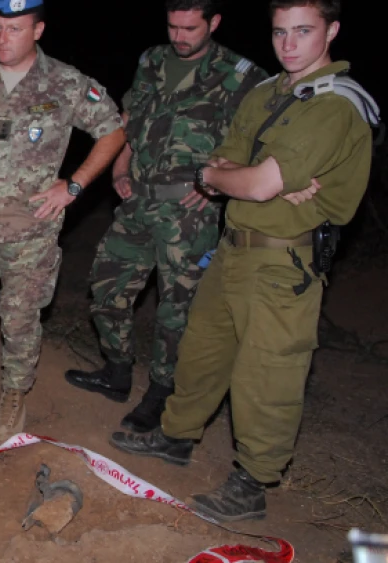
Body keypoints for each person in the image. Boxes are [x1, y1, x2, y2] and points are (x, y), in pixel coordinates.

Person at [110, 0, 375, 523]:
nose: (289, 44)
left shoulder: (334, 106)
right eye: (280, 32)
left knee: (266, 377)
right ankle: (177, 437)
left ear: (333, 31)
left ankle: (252, 483)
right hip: (233, 249)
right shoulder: (267, 92)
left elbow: (253, 183)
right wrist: (235, 178)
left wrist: (243, 180)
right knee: (202, 352)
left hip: (284, 264)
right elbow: (218, 164)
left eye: (303, 31)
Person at [64, 0, 268, 434]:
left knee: (177, 310)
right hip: (138, 201)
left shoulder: (240, 74)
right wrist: (120, 168)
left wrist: (220, 187)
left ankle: (160, 393)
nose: (180, 36)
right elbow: (131, 120)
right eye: (173, 26)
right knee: (106, 285)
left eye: (190, 28)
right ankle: (117, 371)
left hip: (189, 214)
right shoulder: (153, 60)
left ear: (214, 22)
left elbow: (259, 139)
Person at [0, 0, 125, 442]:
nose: (4, 38)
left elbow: (114, 130)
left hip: (31, 234)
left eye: (16, 29)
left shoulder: (65, 82)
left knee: (20, 321)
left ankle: (13, 395)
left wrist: (75, 185)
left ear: (38, 30)